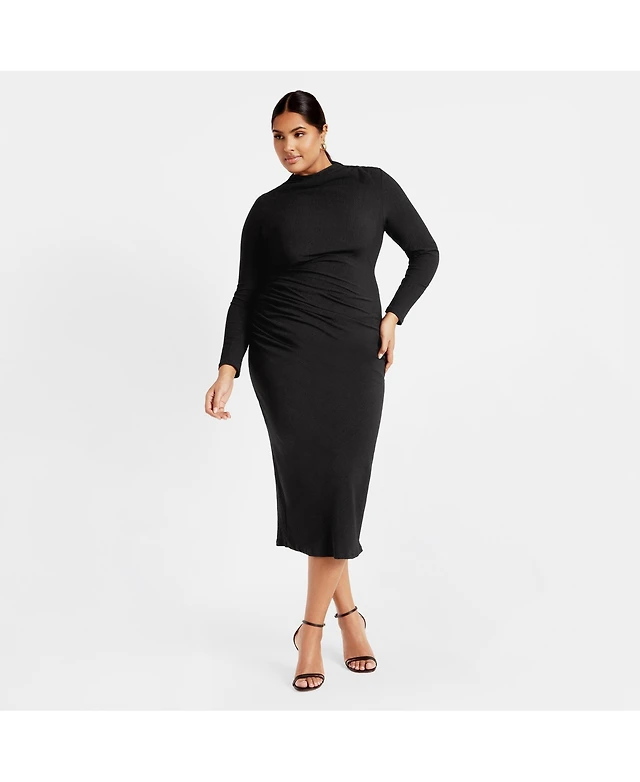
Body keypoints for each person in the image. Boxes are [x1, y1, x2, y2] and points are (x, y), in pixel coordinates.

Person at [205, 90, 439, 691]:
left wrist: (394, 316)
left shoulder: (370, 185)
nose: (288, 147)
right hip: (283, 360)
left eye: (299, 134)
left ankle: (313, 628)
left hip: (354, 359)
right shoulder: (267, 209)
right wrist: (229, 367)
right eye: (278, 137)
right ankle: (341, 621)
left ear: (324, 130)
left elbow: (425, 252)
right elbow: (245, 294)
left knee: (341, 487)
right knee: (320, 492)